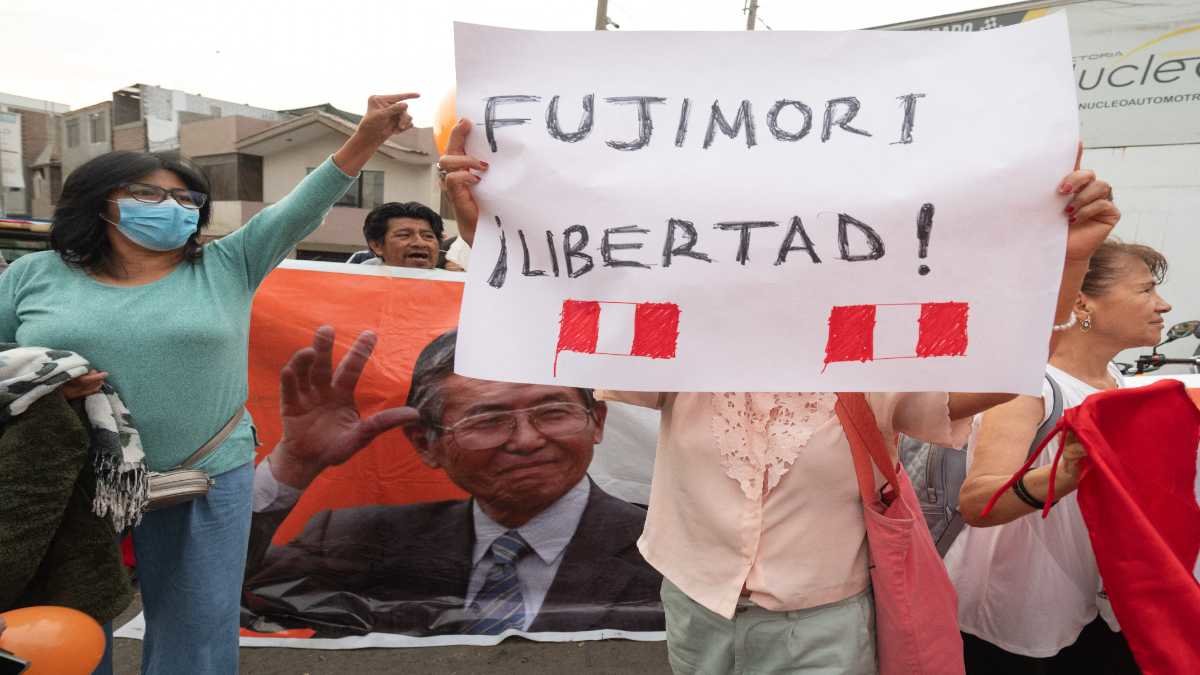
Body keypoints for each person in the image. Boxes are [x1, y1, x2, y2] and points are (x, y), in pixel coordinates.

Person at [438, 120, 1120, 673]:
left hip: (823, 615)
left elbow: (1003, 368)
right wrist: (491, 233)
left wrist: (1069, 260)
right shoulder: (687, 325)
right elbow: (564, 330)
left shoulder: (879, 336)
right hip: (697, 598)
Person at [0, 93, 419, 674]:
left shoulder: (228, 264)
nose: (169, 205)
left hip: (205, 472)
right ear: (99, 203)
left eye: (183, 196)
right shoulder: (31, 274)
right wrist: (47, 384)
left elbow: (297, 210)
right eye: (147, 194)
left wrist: (366, 138)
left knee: (198, 628)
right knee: (65, 620)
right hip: (69, 480)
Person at [242, 327, 663, 637]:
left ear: (597, 422)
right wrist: (294, 466)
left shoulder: (672, 551)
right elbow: (210, 595)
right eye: (489, 421)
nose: (527, 440)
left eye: (553, 413)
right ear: (426, 444)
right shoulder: (356, 541)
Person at [950, 240, 1169, 674]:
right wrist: (1065, 472)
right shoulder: (1030, 387)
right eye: (1145, 290)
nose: (1163, 305)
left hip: (1093, 602)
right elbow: (978, 500)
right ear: (1083, 301)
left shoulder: (1120, 384)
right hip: (1020, 612)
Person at [356, 201, 443, 269]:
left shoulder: (454, 286)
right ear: (377, 246)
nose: (420, 243)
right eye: (404, 235)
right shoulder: (354, 285)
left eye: (428, 236)